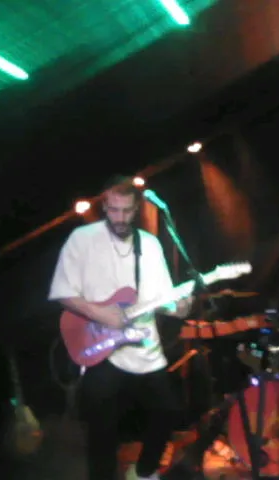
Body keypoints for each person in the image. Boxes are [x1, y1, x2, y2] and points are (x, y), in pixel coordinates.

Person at [49, 176, 191, 480]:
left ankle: (143, 472)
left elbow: (163, 298)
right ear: (104, 206)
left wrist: (179, 307)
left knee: (168, 411)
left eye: (127, 211)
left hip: (145, 347)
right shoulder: (82, 239)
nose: (121, 218)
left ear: (137, 208)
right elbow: (62, 291)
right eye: (114, 210)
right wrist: (101, 314)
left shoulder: (149, 244)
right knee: (102, 429)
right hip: (103, 347)